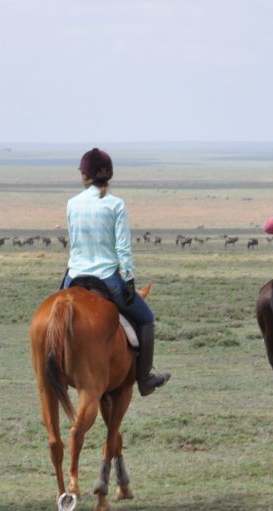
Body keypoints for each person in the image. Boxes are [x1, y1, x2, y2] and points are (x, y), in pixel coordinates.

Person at [62, 147, 170, 396]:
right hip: (106, 278)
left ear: (86, 175)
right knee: (146, 318)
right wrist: (129, 279)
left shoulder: (72, 204)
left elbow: (74, 242)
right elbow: (123, 246)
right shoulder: (115, 204)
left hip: (74, 275)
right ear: (107, 176)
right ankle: (144, 379)